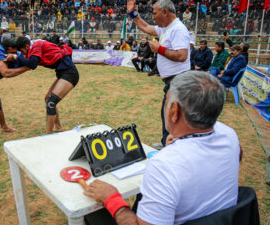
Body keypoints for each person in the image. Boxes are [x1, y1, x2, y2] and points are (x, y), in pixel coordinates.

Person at [84, 71, 240, 225]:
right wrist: (182, 141)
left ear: (174, 110)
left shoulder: (165, 165)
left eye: (166, 101)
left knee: (94, 215)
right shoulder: (230, 135)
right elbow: (236, 155)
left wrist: (111, 198)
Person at [127, 0, 190, 149]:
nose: (153, 17)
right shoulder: (167, 28)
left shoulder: (178, 29)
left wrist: (159, 49)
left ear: (165, 12)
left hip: (178, 79)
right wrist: (132, 14)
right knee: (168, 113)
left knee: (171, 115)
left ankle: (169, 145)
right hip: (173, 80)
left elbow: (182, 56)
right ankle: (166, 142)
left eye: (155, 13)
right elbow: (146, 27)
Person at [8, 37, 79, 134]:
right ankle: (58, 127)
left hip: (70, 73)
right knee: (48, 99)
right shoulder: (33, 48)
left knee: (51, 102)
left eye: (22, 51)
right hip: (63, 73)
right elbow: (27, 63)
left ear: (27, 46)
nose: (23, 53)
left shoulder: (36, 45)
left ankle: (48, 135)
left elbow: (33, 64)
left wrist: (16, 57)